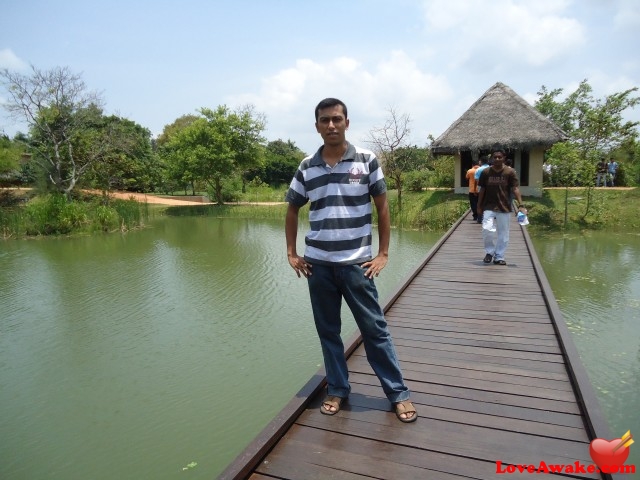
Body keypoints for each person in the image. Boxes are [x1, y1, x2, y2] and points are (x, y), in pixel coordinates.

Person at [284, 98, 417, 423]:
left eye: (337, 119)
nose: (331, 125)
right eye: (325, 120)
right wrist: (291, 252)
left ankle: (398, 393)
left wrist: (384, 253)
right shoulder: (307, 166)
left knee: (375, 330)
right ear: (317, 126)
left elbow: (383, 207)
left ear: (346, 122)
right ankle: (338, 389)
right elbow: (291, 208)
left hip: (357, 265)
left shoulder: (366, 161)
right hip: (318, 266)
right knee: (328, 331)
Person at [477, 146, 526, 266]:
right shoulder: (486, 172)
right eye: (495, 157)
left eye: (500, 157)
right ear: (492, 158)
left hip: (504, 206)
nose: (497, 159)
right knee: (486, 229)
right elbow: (482, 189)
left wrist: (521, 205)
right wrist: (479, 205)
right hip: (489, 206)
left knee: (503, 233)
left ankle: (499, 256)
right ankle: (489, 252)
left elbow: (515, 188)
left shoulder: (510, 172)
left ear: (504, 158)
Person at [474, 156, 490, 223]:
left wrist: (475, 189)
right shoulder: (491, 169)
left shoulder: (478, 169)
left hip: (480, 188)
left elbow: (476, 180)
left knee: (480, 202)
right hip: (490, 189)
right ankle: (489, 218)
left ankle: (480, 218)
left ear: (481, 161)